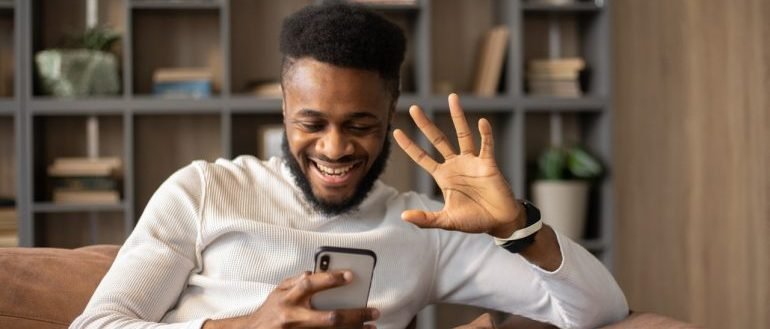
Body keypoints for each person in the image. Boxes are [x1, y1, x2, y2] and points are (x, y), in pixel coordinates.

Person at [71, 2, 628, 329]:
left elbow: (600, 312)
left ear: (390, 113)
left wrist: (517, 228)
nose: (334, 149)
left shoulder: (425, 229)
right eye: (312, 123)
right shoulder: (204, 190)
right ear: (284, 110)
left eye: (359, 124)